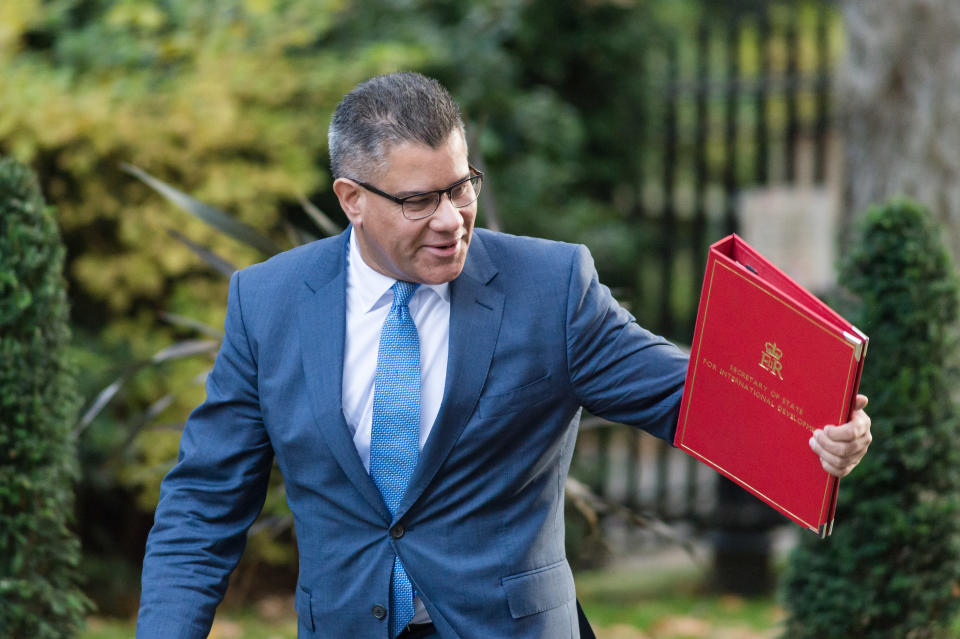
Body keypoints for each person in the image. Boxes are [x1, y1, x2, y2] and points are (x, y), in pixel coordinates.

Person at [136, 72, 872, 639]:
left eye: (462, 188)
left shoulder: (550, 288)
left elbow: (692, 393)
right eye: (420, 201)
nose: (452, 220)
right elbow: (202, 505)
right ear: (350, 199)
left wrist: (819, 425)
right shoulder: (267, 305)